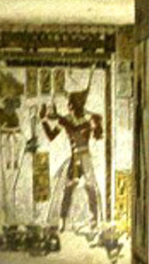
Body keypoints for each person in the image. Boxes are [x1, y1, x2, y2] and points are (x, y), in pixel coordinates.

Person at [41, 86, 103, 231]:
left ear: (77, 105)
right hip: (76, 157)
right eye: (69, 104)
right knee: (68, 189)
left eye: (71, 104)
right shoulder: (68, 119)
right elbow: (51, 136)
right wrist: (43, 120)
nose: (69, 107)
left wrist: (96, 125)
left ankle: (94, 221)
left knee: (90, 188)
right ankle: (63, 221)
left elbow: (96, 134)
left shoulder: (85, 119)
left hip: (85, 156)